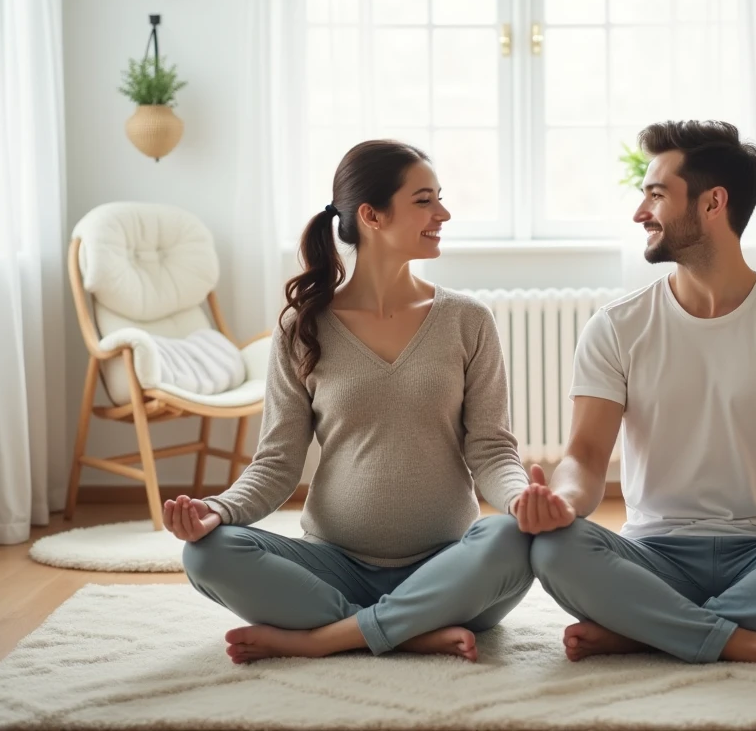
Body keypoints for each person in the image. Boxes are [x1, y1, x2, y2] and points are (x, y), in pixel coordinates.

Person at [515, 120, 756, 672]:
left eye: (656, 195)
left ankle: (649, 629)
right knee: (553, 547)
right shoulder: (617, 326)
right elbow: (583, 456)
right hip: (654, 552)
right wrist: (564, 503)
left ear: (712, 203)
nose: (639, 213)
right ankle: (745, 640)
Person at [165, 140, 533, 664]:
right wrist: (217, 510)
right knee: (208, 554)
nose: (443, 213)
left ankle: (328, 637)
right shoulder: (302, 328)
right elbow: (277, 462)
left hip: (446, 566)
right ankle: (410, 629)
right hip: (333, 565)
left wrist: (522, 503)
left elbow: (493, 450)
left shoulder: (466, 320)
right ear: (371, 215)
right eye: (425, 200)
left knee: (510, 538)